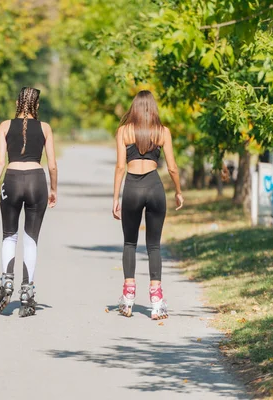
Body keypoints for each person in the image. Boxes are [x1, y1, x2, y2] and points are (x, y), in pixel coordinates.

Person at [0, 87, 58, 317]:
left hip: (12, 180)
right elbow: (53, 165)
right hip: (37, 181)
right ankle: (27, 292)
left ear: (17, 102)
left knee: (9, 235)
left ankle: (7, 282)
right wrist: (54, 188)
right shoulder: (45, 128)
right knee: (30, 239)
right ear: (37, 106)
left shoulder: (5, 126)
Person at [112, 90, 184, 320]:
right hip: (154, 188)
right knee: (153, 245)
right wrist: (178, 191)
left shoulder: (124, 131)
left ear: (134, 107)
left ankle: (128, 298)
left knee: (130, 243)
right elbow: (172, 167)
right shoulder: (162, 132)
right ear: (153, 108)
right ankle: (156, 302)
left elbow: (120, 167)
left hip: (132, 188)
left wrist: (115, 197)